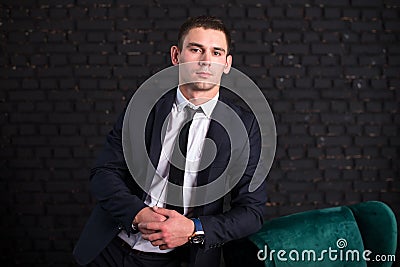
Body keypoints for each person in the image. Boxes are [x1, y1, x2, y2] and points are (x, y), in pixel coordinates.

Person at [73, 15, 267, 267]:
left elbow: (251, 212)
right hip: (110, 250)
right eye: (196, 49)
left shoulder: (244, 127)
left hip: (182, 260)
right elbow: (104, 172)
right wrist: (138, 214)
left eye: (216, 52)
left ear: (227, 64)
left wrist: (193, 228)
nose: (206, 60)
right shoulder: (143, 106)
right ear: (176, 56)